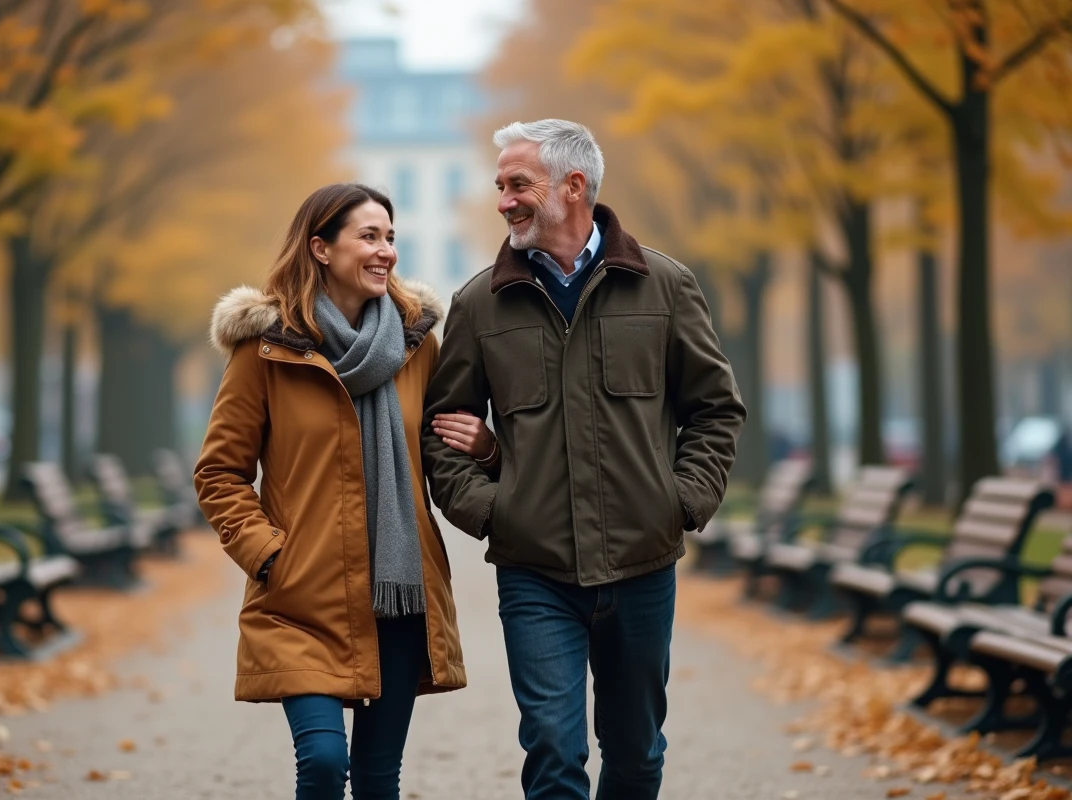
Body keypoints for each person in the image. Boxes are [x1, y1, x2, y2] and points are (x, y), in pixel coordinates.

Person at [423, 120, 747, 800]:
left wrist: (681, 502)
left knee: (636, 752)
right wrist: (495, 513)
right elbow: (440, 433)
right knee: (552, 749)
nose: (504, 201)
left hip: (642, 562)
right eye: (500, 186)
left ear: (574, 186)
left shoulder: (665, 286)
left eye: (518, 185)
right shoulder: (479, 304)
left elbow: (716, 409)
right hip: (534, 569)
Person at [195, 183, 496, 800]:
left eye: (391, 237)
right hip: (303, 595)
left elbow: (442, 455)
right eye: (369, 236)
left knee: (379, 781)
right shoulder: (266, 349)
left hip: (398, 595)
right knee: (325, 762)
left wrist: (489, 452)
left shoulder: (417, 344)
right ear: (321, 248)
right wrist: (269, 555)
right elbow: (219, 472)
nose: (386, 251)